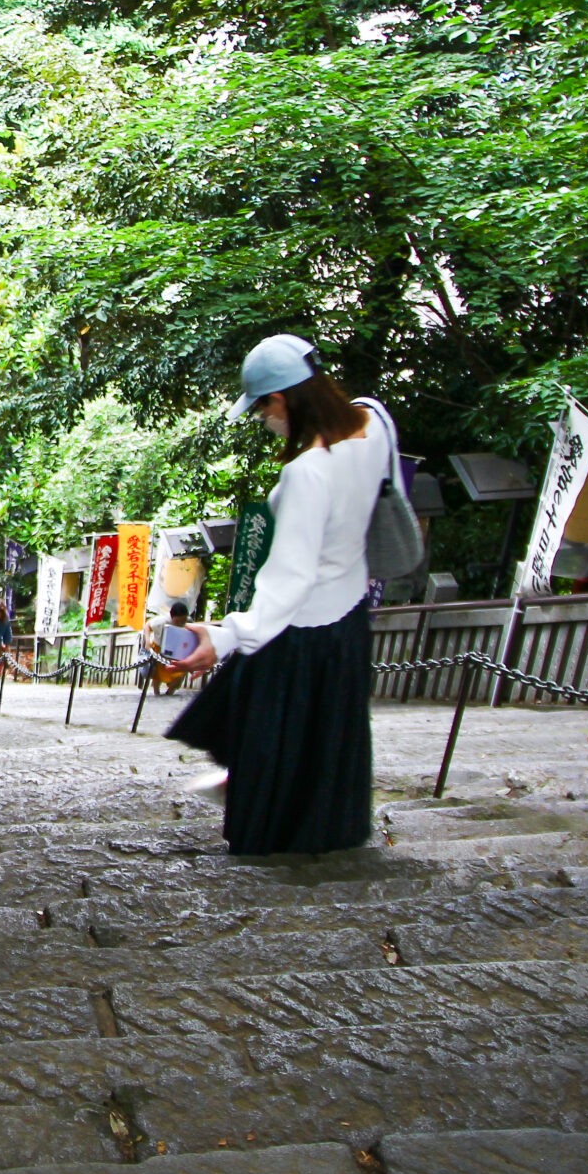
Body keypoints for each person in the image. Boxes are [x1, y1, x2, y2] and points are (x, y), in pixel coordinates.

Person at [163, 335, 394, 856]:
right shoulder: (372, 422)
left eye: (263, 406)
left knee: (269, 725)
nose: (264, 418)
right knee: (326, 735)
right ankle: (323, 829)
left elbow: (289, 579)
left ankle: (263, 819)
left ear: (282, 399)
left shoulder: (308, 471)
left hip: (304, 627)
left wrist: (224, 636)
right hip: (351, 616)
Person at [147, 601, 199, 695]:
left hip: (178, 649)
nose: (180, 623)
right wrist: (147, 641)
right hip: (160, 647)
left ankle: (170, 691)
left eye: (182, 620)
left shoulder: (189, 621)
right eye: (177, 621)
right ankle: (156, 692)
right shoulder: (161, 621)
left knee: (180, 673)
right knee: (158, 674)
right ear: (171, 617)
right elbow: (147, 626)